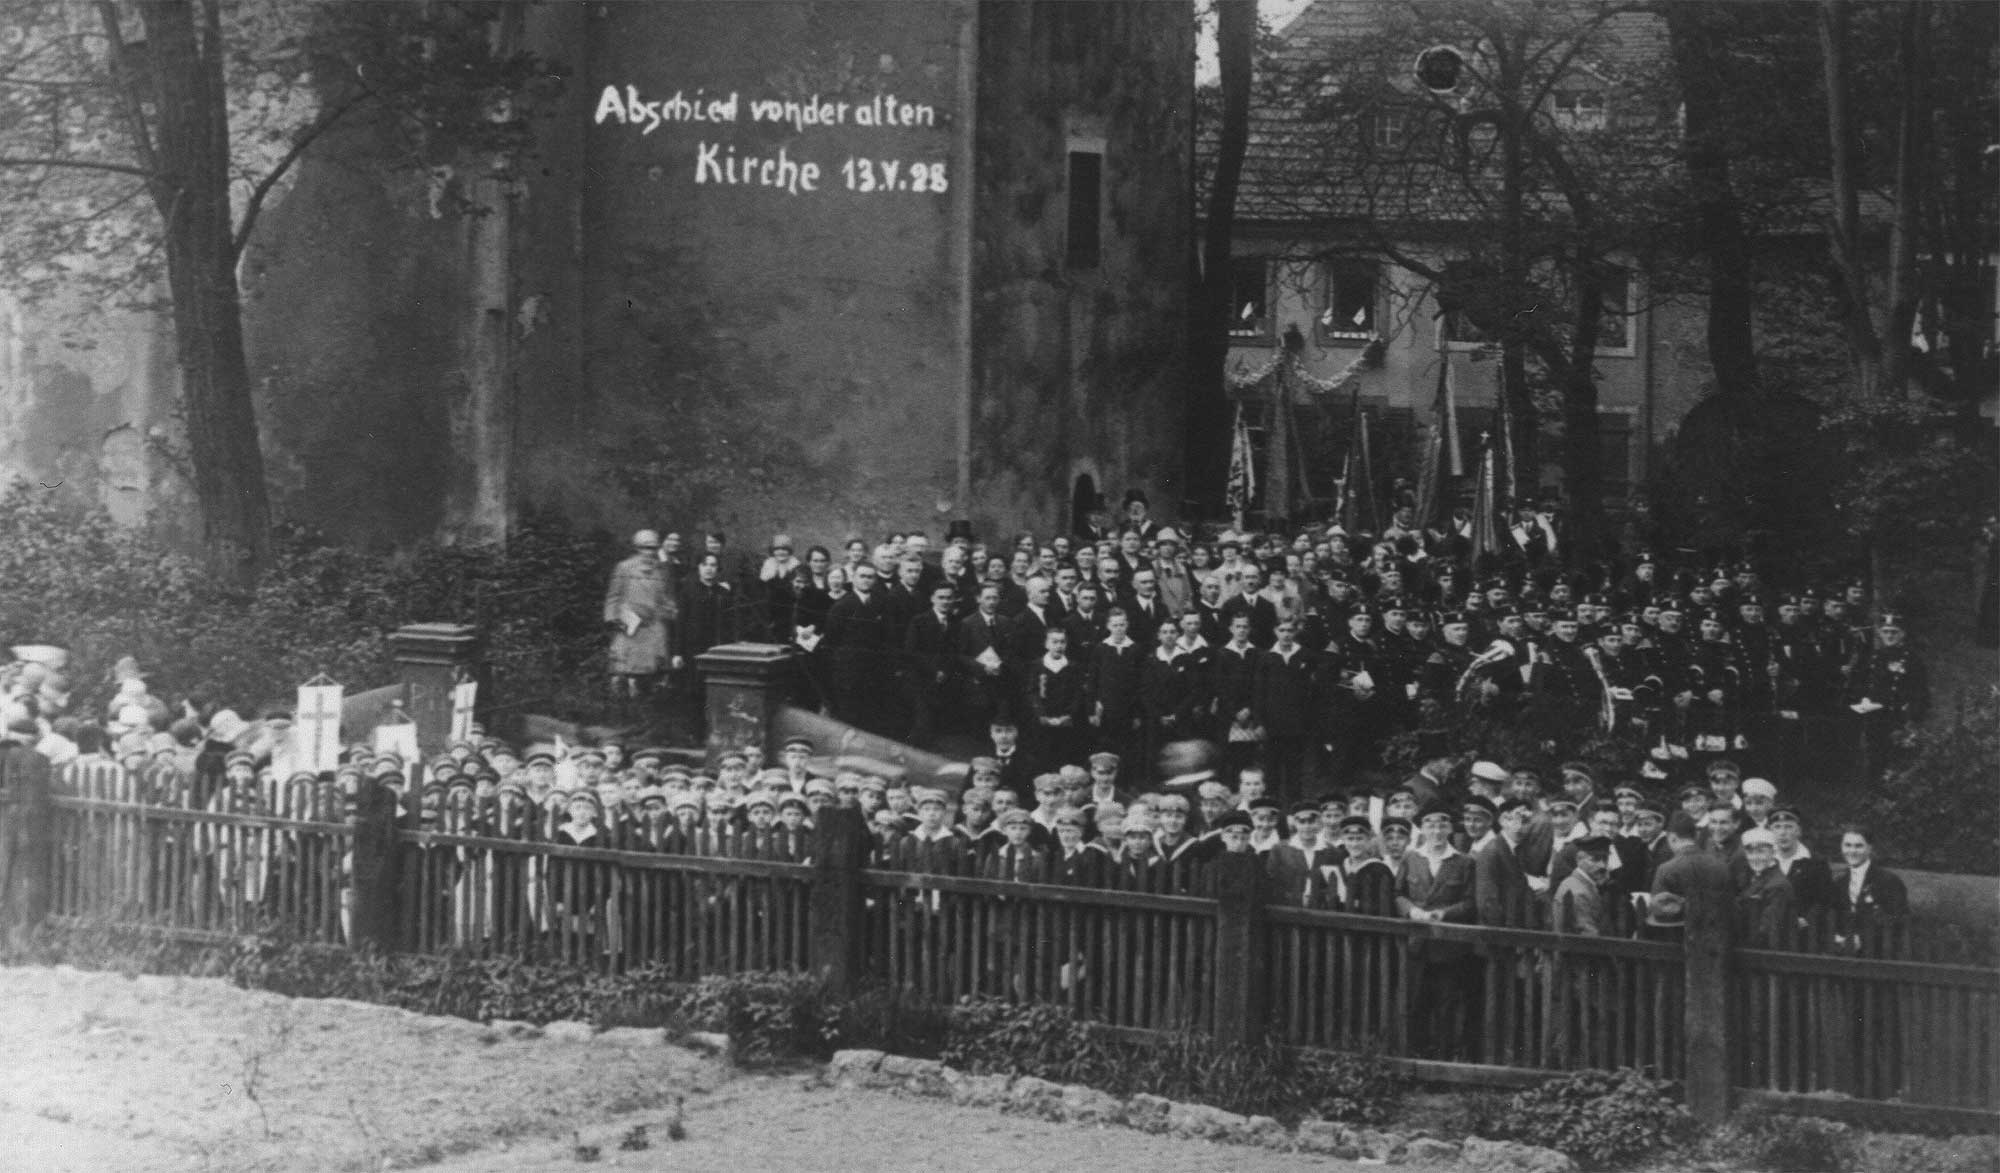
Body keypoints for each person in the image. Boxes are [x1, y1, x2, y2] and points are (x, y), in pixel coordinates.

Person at [604, 530, 679, 700]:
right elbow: (613, 596)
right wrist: (613, 619)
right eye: (645, 548)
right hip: (629, 625)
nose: (650, 552)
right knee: (623, 671)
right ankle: (619, 706)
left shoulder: (661, 570)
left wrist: (671, 611)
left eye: (654, 548)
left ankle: (647, 705)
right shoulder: (624, 567)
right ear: (637, 548)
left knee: (651, 673)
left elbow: (667, 598)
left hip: (653, 627)